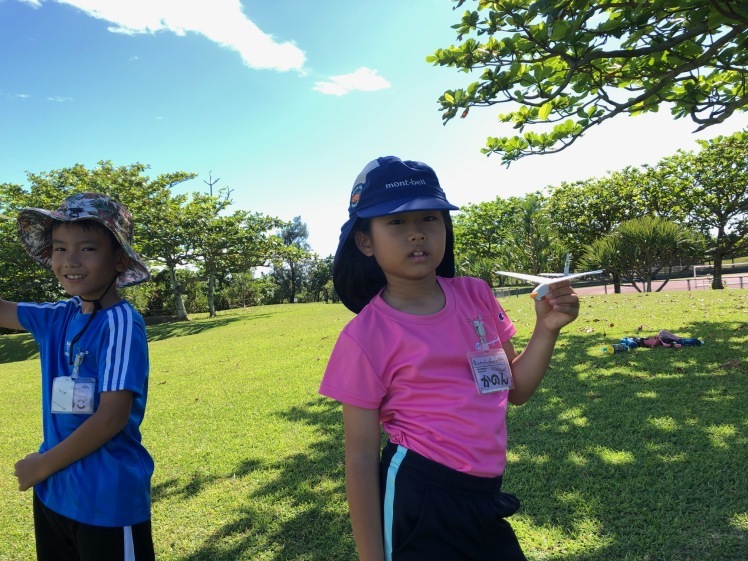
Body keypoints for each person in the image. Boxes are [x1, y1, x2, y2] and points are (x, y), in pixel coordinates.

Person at [318, 156, 581, 561]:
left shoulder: (475, 295)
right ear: (365, 241)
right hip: (420, 495)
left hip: (483, 496)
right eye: (396, 222)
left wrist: (546, 330)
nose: (417, 234)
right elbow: (360, 457)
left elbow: (515, 388)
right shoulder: (364, 337)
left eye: (429, 219)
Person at [0, 192, 155, 561]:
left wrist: (42, 464)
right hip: (54, 495)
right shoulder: (58, 316)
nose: (69, 261)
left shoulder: (119, 322)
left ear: (119, 258)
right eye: (59, 248)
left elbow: (111, 417)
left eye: (87, 249)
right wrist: (46, 472)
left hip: (105, 502)